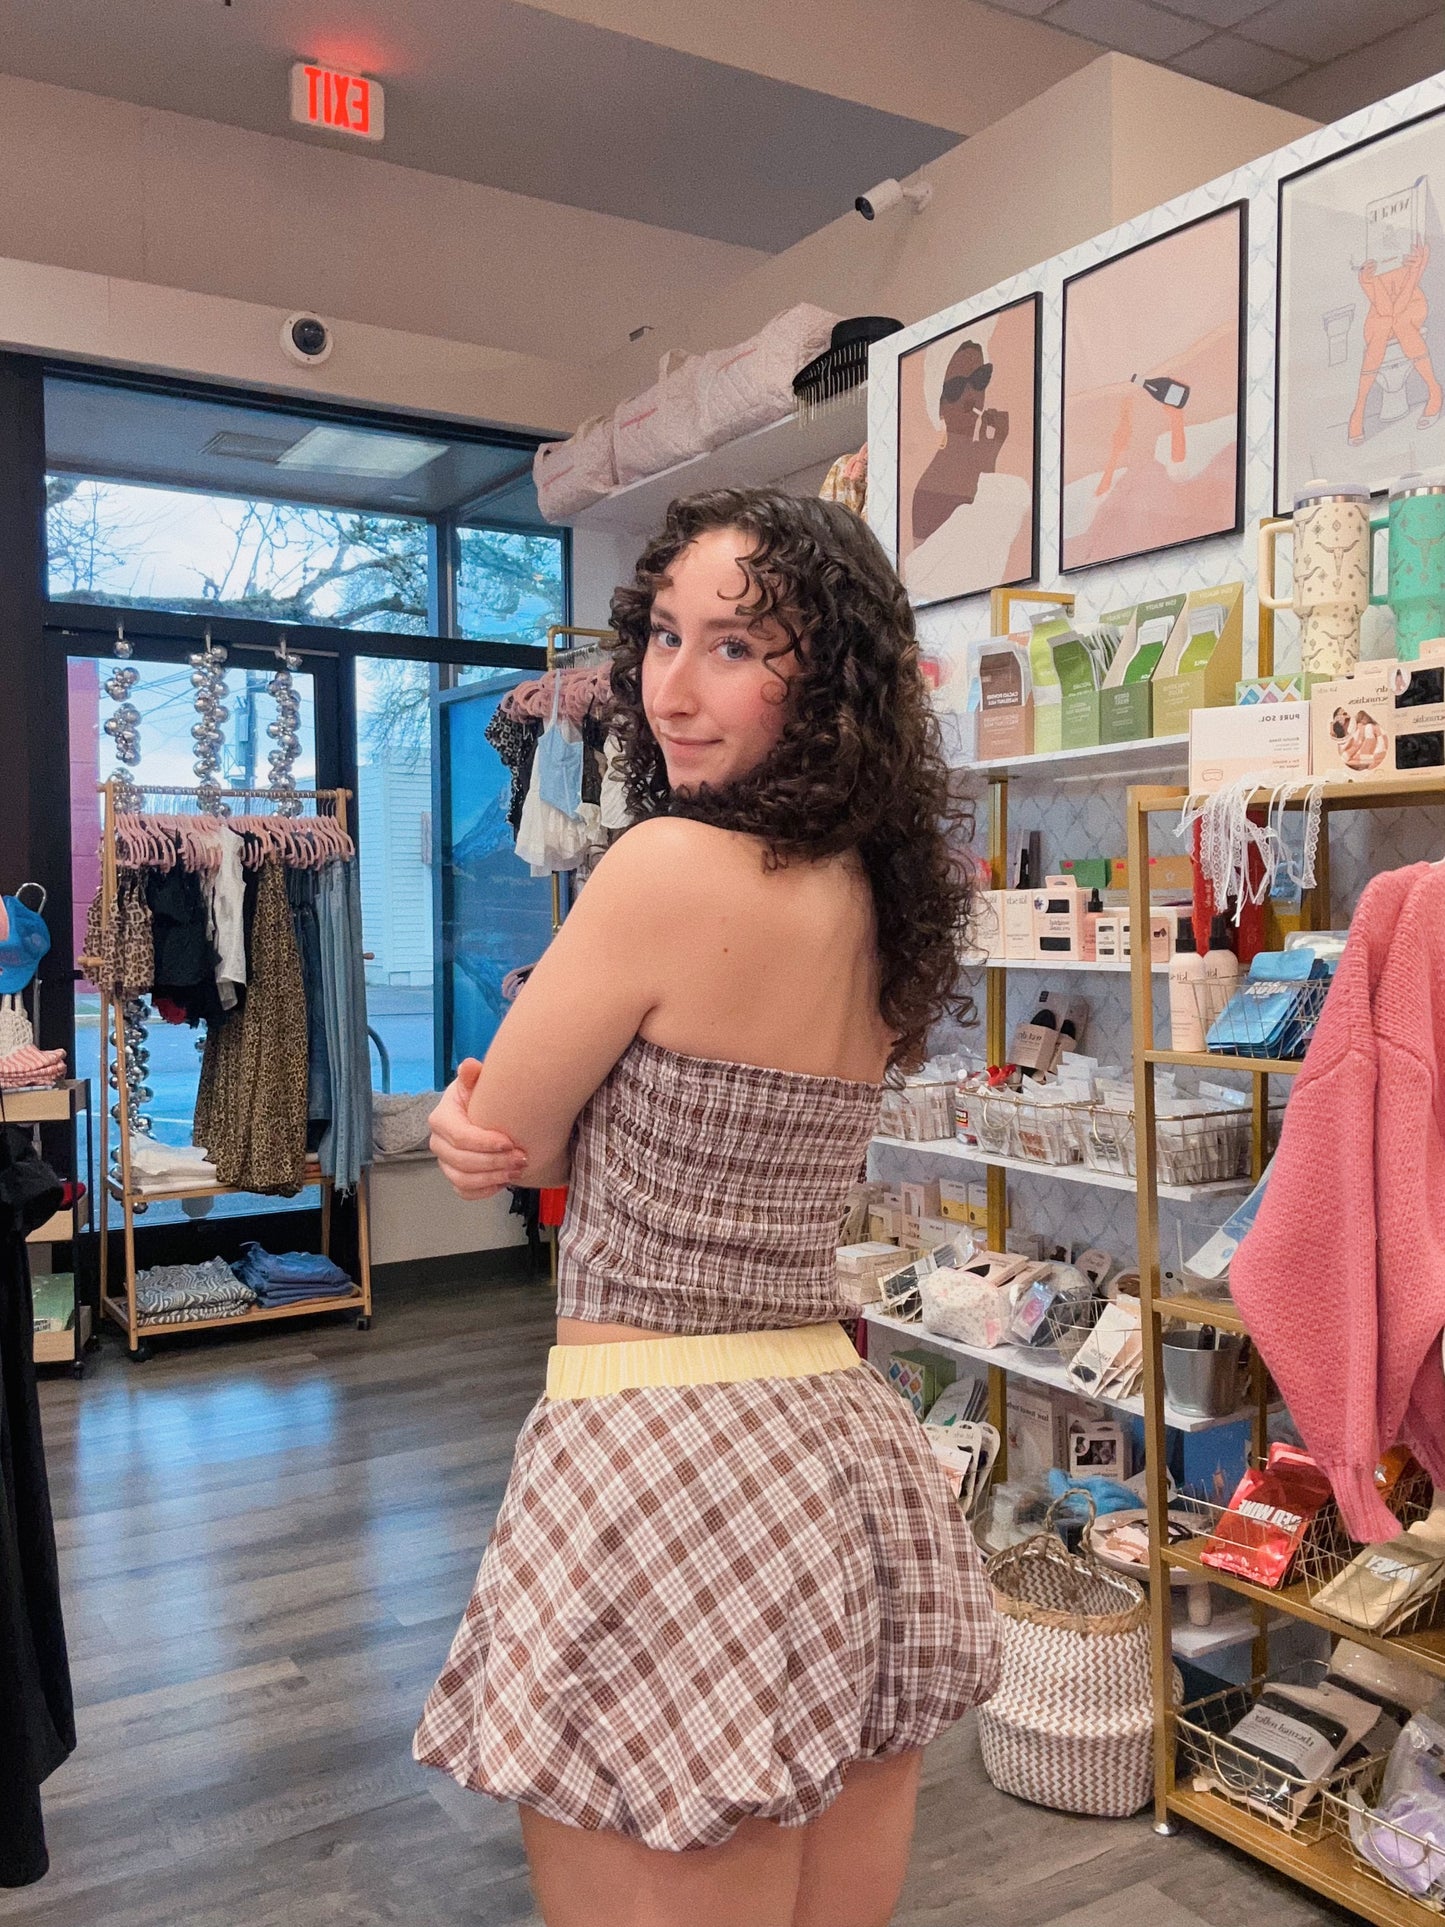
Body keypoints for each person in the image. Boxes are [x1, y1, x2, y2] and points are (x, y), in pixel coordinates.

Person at [416, 487, 1001, 1927]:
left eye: (734, 646)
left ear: (834, 674)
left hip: (659, 1452)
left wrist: (471, 1113)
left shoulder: (666, 865)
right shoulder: (883, 892)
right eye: (664, 638)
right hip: (836, 1448)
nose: (671, 690)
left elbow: (509, 1131)